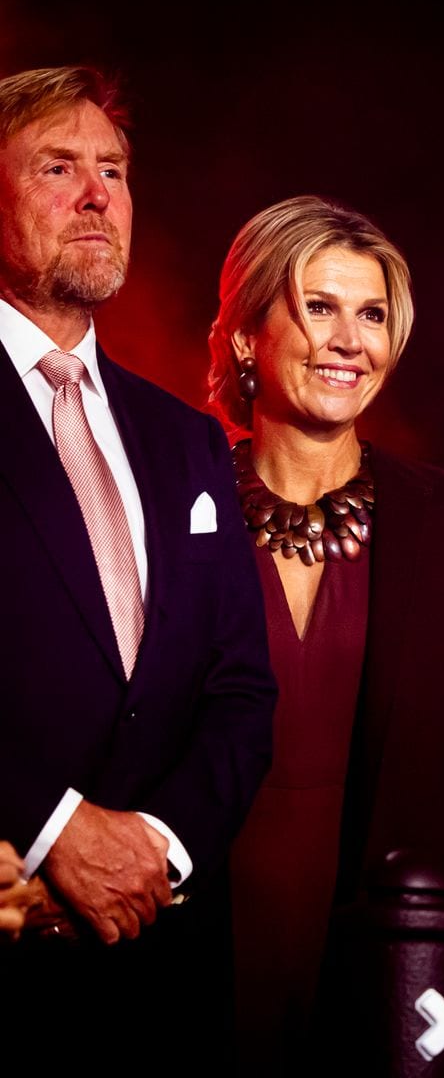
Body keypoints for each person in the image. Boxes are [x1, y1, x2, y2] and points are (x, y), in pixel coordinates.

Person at [206, 194, 444, 1074]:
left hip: (401, 968)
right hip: (196, 941)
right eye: (318, 307)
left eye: (373, 315)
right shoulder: (172, 504)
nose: (350, 341)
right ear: (244, 336)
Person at [0, 65, 276, 1072]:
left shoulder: (187, 439)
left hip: (164, 969)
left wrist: (159, 845)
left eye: (112, 170)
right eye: (57, 167)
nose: (96, 196)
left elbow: (240, 691)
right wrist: (51, 829)